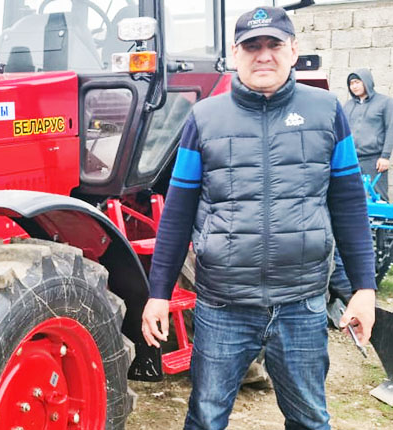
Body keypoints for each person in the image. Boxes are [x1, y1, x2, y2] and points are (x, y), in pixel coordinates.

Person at [141, 7, 376, 430]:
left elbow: (349, 207)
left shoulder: (326, 112)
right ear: (235, 52)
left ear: (293, 50)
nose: (263, 55)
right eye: (252, 46)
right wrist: (159, 292)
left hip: (301, 304)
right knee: (206, 417)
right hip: (223, 307)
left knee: (309, 419)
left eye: (274, 45)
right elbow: (177, 213)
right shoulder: (203, 119)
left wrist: (364, 289)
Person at [344, 69, 393, 201]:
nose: (354, 86)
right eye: (351, 83)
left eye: (357, 82)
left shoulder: (385, 102)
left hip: (374, 160)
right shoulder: (347, 106)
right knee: (351, 199)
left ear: (367, 82)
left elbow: (390, 129)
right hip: (352, 159)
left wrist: (385, 156)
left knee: (379, 198)